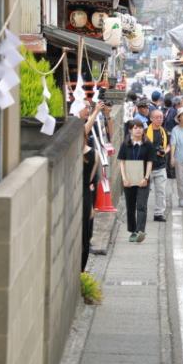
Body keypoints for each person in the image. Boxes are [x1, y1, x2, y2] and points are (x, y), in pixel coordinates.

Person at [118, 120, 154, 243]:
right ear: (130, 130)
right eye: (135, 128)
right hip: (128, 178)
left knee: (142, 205)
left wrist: (146, 178)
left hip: (143, 178)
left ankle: (140, 231)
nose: (138, 130)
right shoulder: (125, 144)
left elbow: (149, 162)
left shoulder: (148, 144)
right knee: (130, 205)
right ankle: (133, 230)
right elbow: (121, 162)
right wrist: (124, 178)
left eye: (140, 127)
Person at [80, 101, 102, 271]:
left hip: (78, 196)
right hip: (86, 196)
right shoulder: (94, 155)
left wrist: (95, 112)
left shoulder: (71, 154)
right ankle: (82, 270)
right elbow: (92, 180)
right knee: (85, 235)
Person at [145, 108, 171, 223]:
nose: (159, 119)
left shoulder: (163, 131)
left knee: (161, 191)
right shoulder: (145, 132)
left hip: (160, 165)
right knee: (144, 192)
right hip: (147, 167)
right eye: (157, 117)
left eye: (161, 117)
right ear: (151, 118)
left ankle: (159, 213)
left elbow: (169, 145)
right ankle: (142, 212)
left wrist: (165, 151)